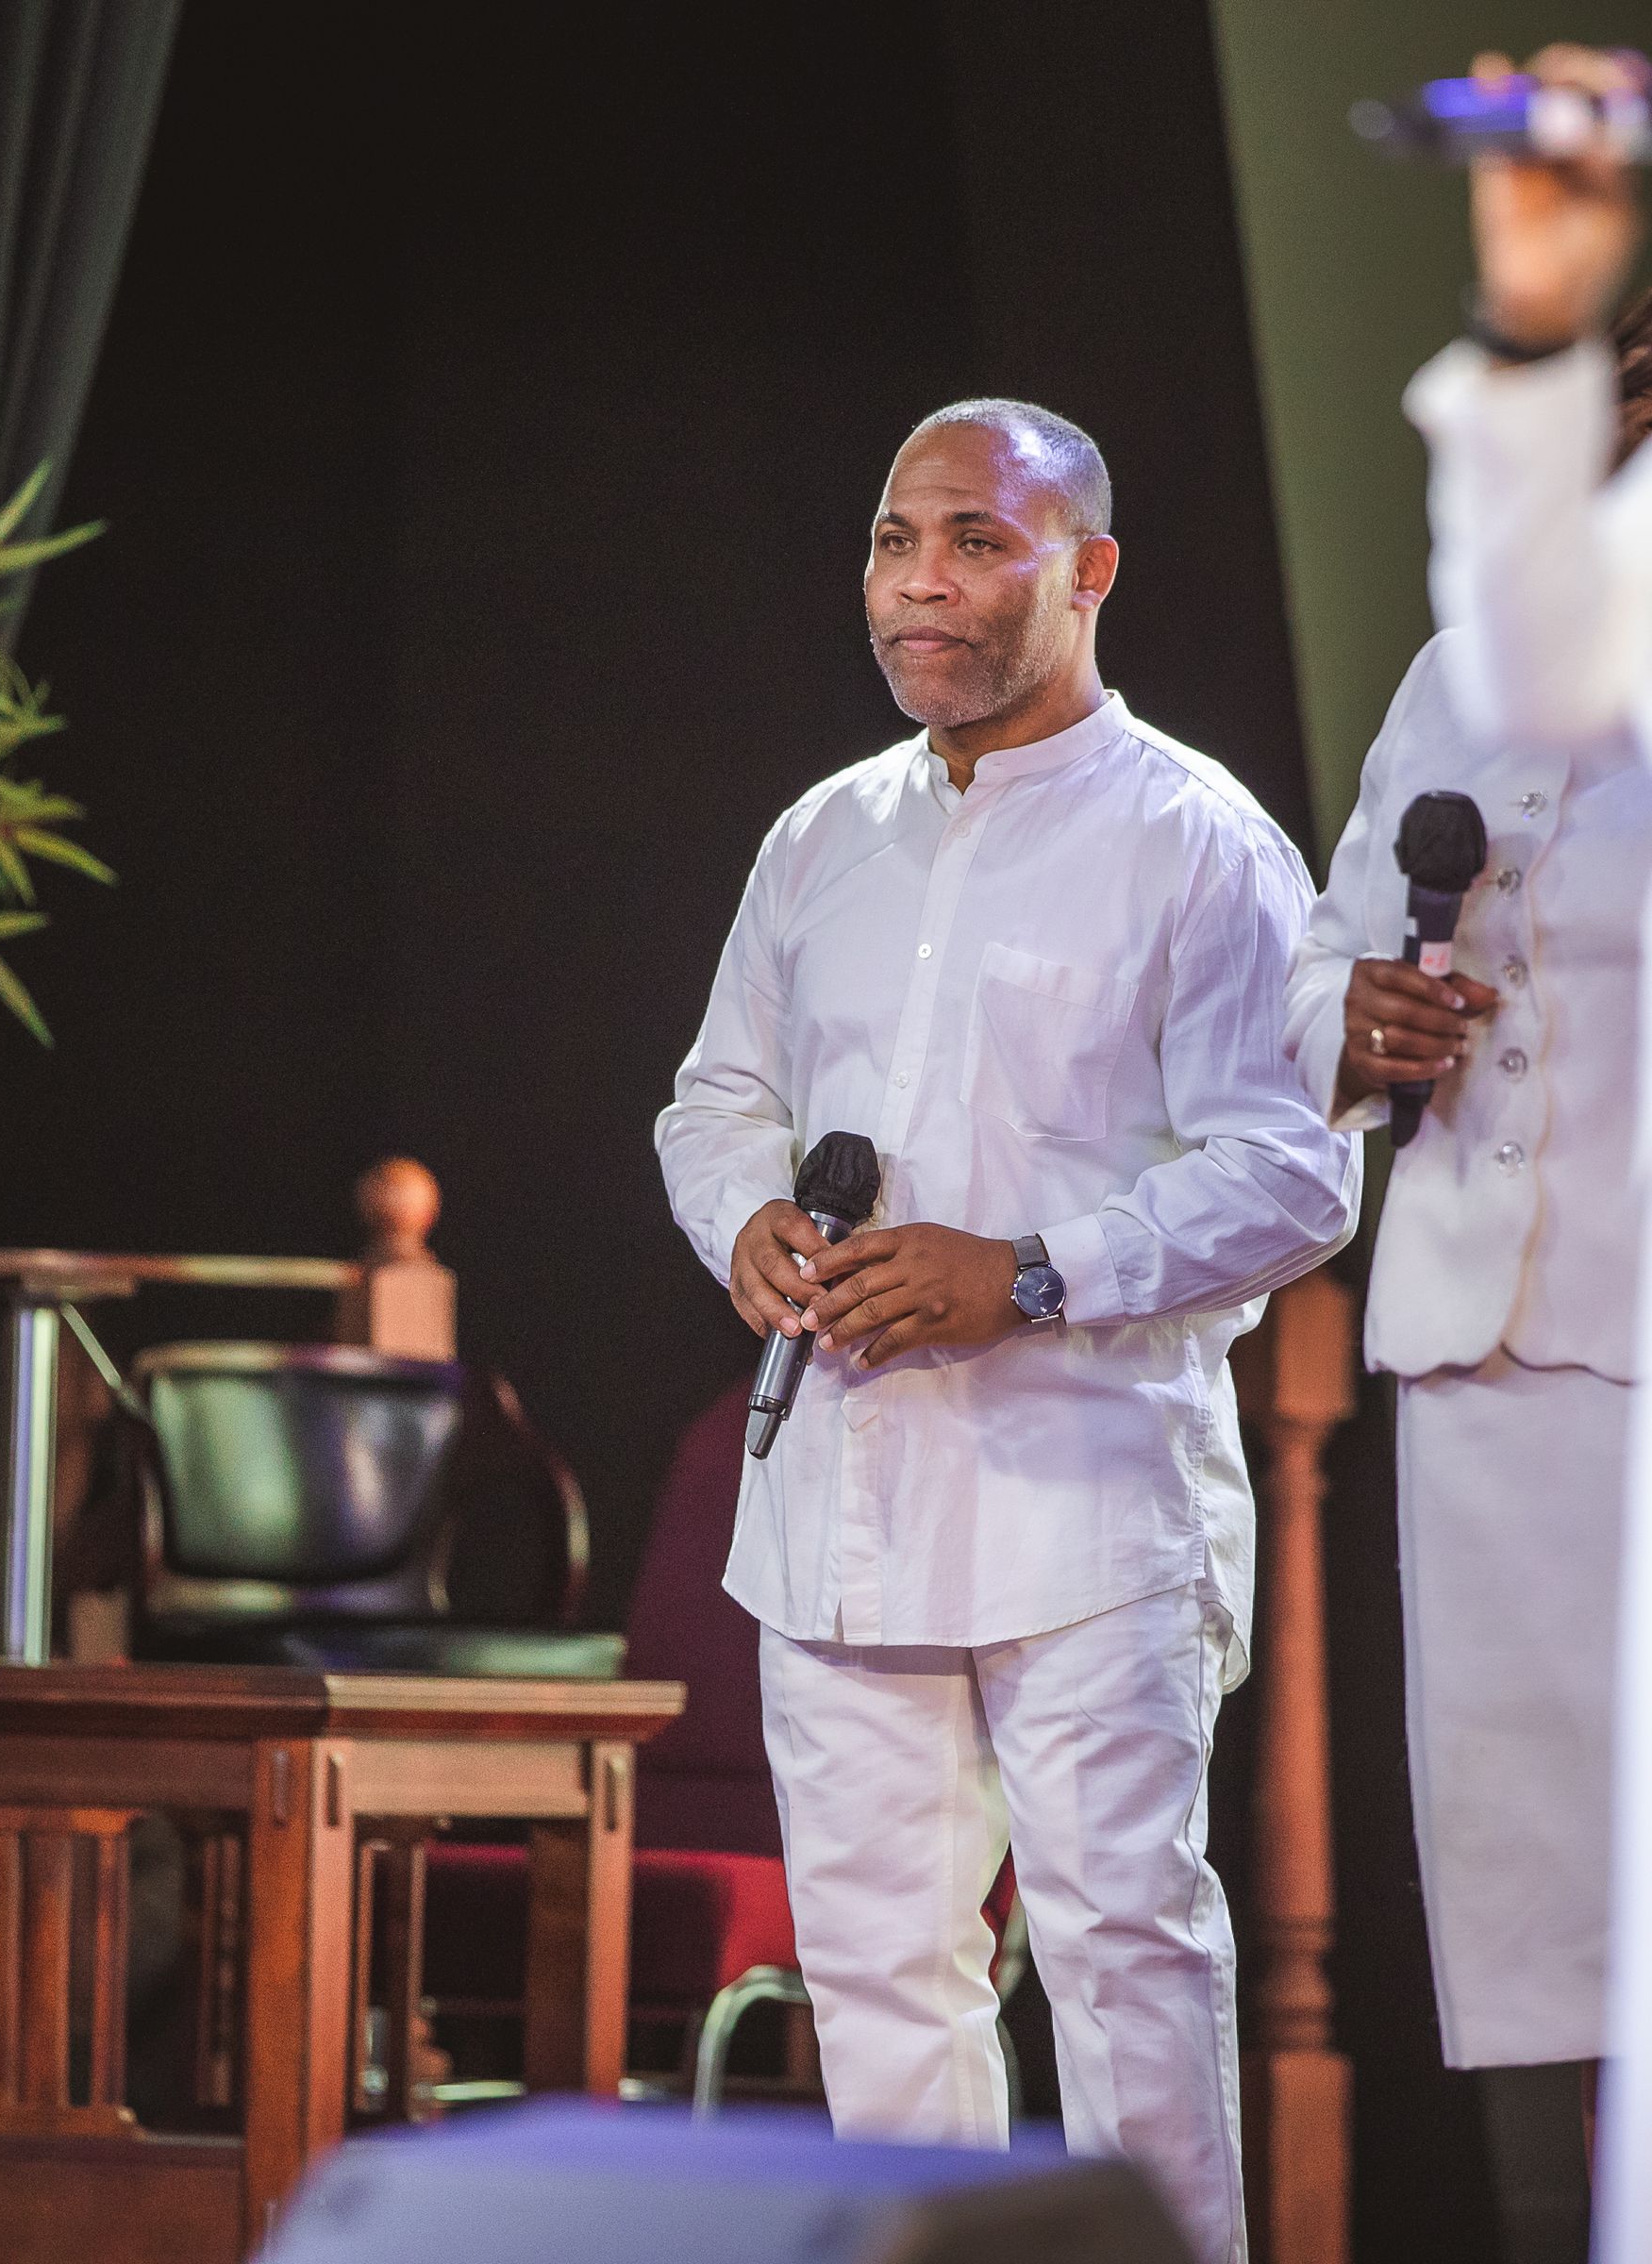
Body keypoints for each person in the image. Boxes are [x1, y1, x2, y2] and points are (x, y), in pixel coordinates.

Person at [657, 397, 1360, 2264]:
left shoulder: (1198, 840)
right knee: (884, 1984)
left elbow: (1292, 1177)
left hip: (1084, 1501)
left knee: (1124, 1967)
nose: (920, 585)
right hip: (846, 1492)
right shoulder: (822, 838)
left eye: (975, 541)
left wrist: (1029, 1271)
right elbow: (714, 1093)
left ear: (1089, 569)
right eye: (896, 542)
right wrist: (747, 1220)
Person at [1282, 42, 1652, 2208]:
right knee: (1517, 1883)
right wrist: (1367, 1024)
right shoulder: (1464, 669)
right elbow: (1328, 960)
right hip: (1485, 1335)